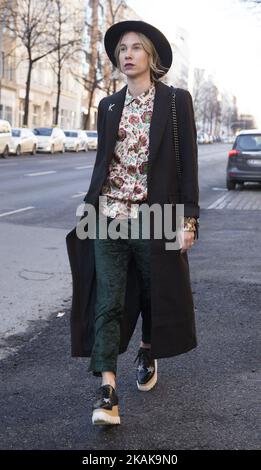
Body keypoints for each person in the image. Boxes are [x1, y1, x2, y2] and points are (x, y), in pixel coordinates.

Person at [66, 20, 199, 426]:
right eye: (122, 48)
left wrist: (189, 218)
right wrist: (89, 204)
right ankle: (107, 389)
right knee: (107, 299)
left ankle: (148, 347)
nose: (127, 54)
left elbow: (187, 165)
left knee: (153, 293)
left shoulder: (176, 102)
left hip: (154, 216)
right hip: (108, 214)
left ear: (151, 57)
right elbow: (103, 161)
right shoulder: (109, 105)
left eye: (136, 48)